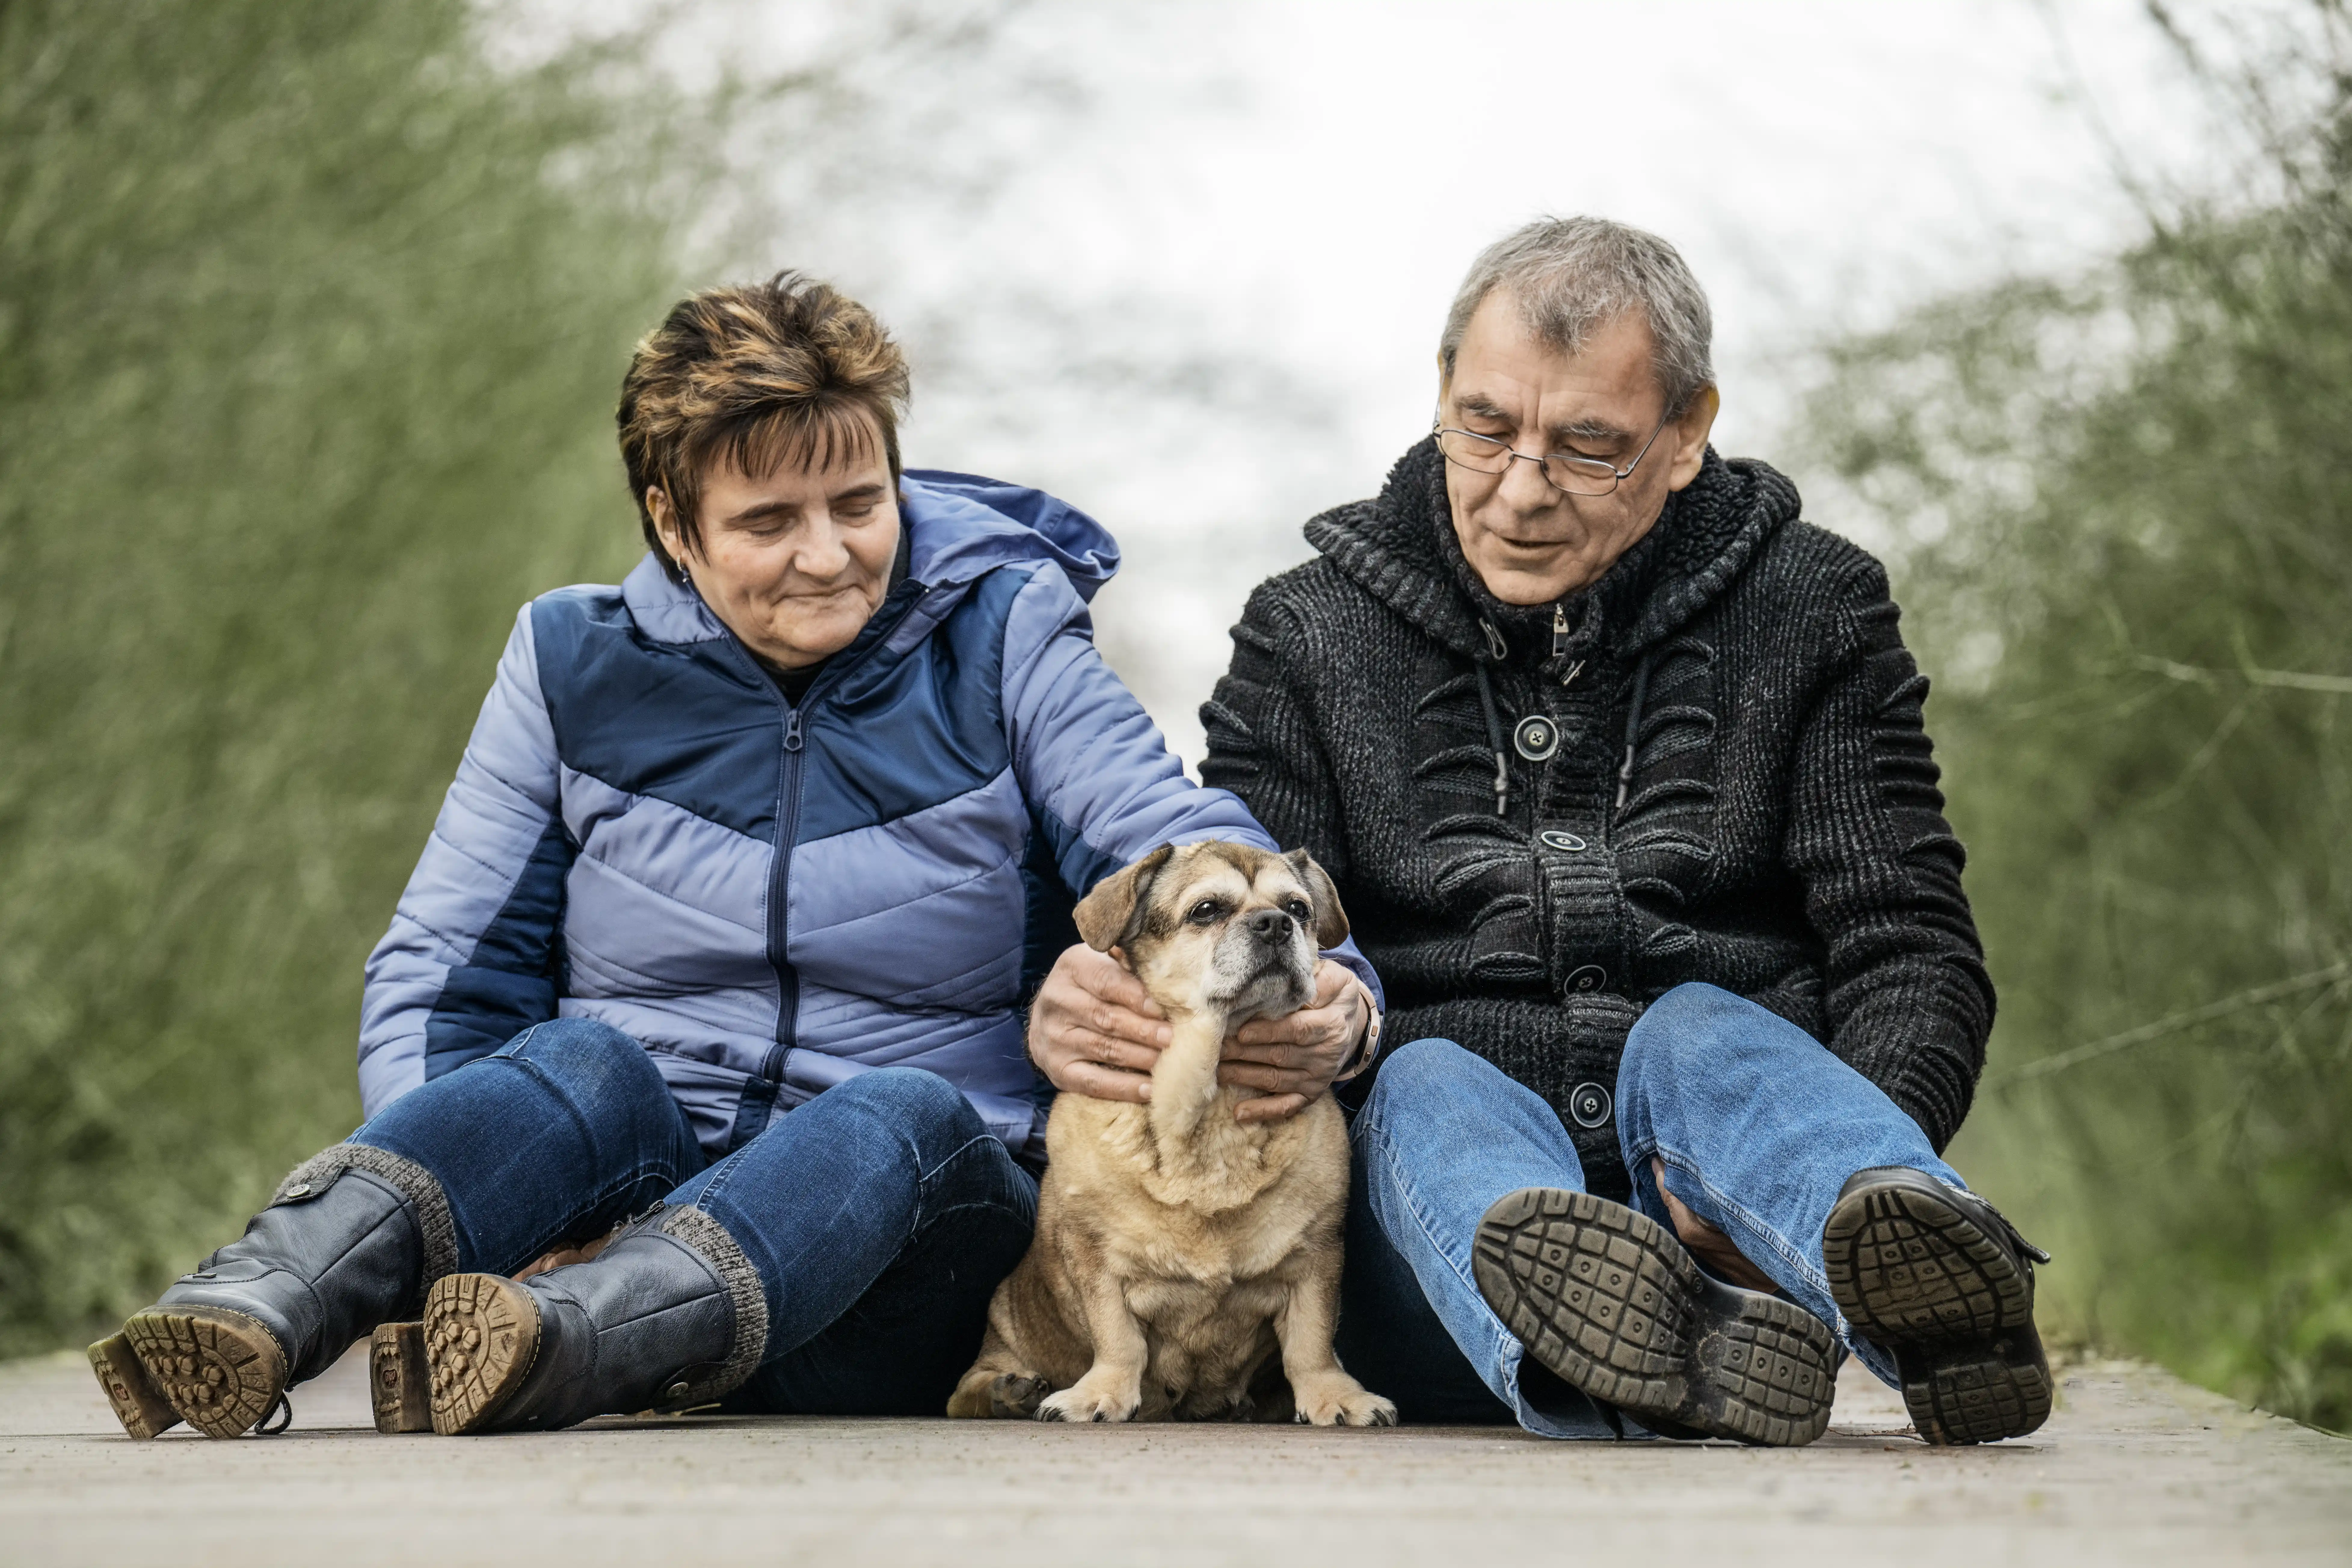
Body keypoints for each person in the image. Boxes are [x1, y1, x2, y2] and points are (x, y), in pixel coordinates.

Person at [91, 273, 1377, 1440]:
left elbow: (1188, 851)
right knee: (582, 1060)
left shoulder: (1003, 632)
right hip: (627, 1198)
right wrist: (503, 1216)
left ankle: (571, 1343)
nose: (827, 554)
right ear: (672, 521)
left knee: (899, 1108)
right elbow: (443, 973)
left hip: (896, 1249)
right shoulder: (569, 663)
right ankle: (261, 1299)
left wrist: (1338, 993)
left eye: (858, 503)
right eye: (768, 520)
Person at [1028, 217, 2050, 1447]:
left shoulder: (1812, 608)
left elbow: (1908, 946)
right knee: (1421, 1072)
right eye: (1483, 427)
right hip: (1434, 1223)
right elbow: (1238, 928)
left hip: (1737, 1201)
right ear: (1440, 390)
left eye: (1586, 447)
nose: (1517, 489)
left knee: (1706, 1034)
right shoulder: (1305, 631)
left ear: (1682, 436)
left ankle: (1900, 1272)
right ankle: (1612, 1343)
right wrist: (1100, 998)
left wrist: (1811, 1170)